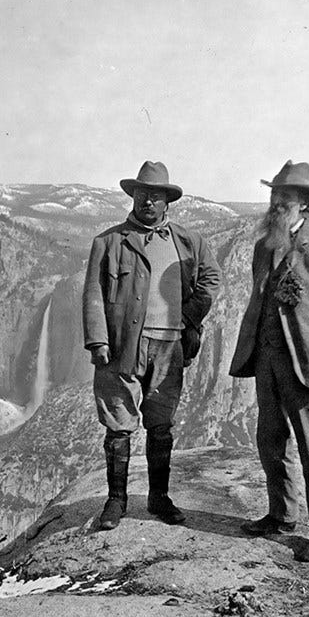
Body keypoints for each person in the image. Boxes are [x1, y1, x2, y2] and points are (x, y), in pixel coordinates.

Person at [83, 160, 221, 530]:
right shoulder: (109, 242)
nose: (148, 202)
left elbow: (211, 279)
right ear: (133, 196)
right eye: (142, 194)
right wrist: (98, 341)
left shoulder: (188, 242)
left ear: (167, 202)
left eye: (156, 196)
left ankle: (159, 498)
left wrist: (189, 316)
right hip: (122, 347)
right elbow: (93, 293)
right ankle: (116, 501)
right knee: (118, 424)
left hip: (170, 347)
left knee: (161, 426)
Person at [229, 160, 309, 562]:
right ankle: (281, 515)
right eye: (274, 195)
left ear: (305, 204)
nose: (277, 202)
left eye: (286, 197)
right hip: (266, 360)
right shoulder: (264, 246)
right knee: (270, 440)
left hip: (304, 365)